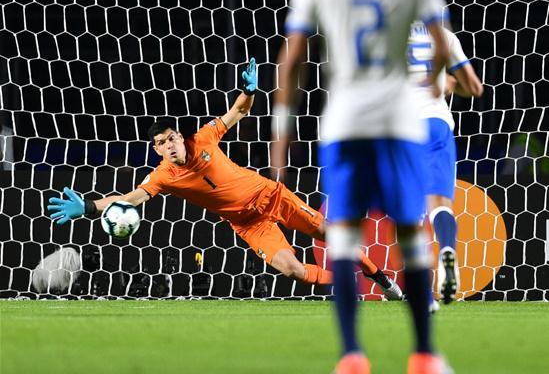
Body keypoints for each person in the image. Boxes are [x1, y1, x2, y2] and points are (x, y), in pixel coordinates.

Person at [272, 0, 453, 374]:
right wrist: (429, 77)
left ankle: (352, 355)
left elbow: (292, 61)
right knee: (412, 235)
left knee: (345, 242)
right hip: (399, 122)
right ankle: (423, 355)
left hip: (345, 123)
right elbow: (442, 48)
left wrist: (281, 136)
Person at [47, 59, 402, 298]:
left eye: (170, 138)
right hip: (247, 223)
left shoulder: (203, 138)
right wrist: (90, 206)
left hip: (271, 196)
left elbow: (237, 112)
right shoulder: (164, 176)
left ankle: (381, 279)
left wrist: (248, 90)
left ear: (179, 136)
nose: (168, 146)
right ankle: (350, 285)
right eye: (160, 144)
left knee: (333, 237)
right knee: (292, 270)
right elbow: (131, 199)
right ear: (156, 151)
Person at [407, 22, 483, 304]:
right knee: (440, 203)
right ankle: (447, 252)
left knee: (411, 215)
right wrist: (447, 83)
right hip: (437, 125)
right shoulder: (444, 36)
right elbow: (474, 87)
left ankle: (424, 295)